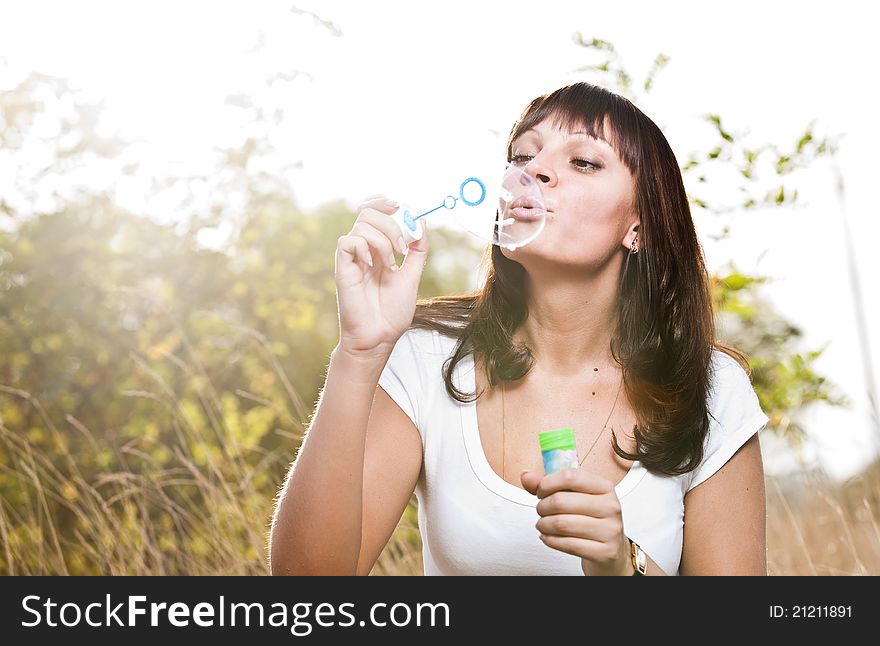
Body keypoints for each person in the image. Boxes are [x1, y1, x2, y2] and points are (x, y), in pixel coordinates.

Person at [269, 82, 769, 576]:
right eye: (522, 156)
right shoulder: (425, 357)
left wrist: (623, 568)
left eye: (584, 162)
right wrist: (359, 354)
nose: (534, 172)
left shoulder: (712, 387)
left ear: (638, 225)